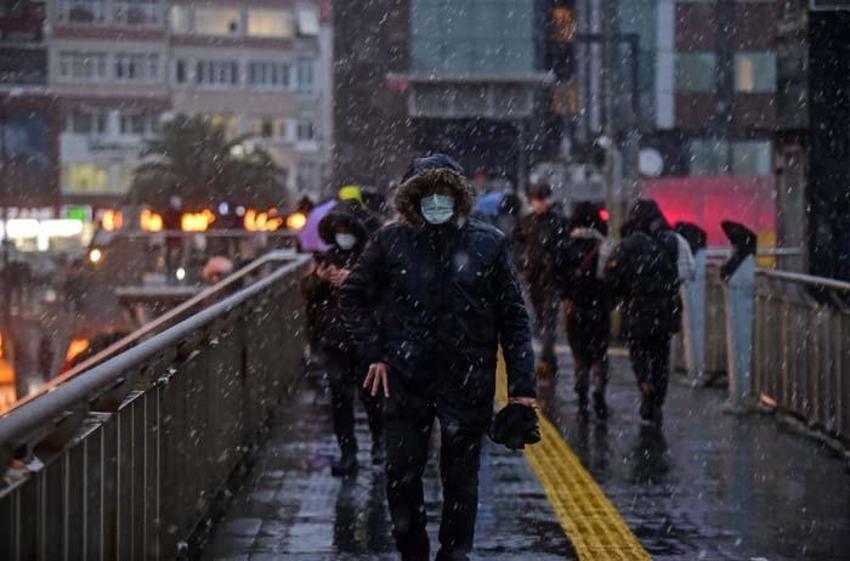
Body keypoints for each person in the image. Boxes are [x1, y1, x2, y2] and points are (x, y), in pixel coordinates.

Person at [340, 154, 537, 561]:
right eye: (425, 194)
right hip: (405, 378)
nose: (435, 202)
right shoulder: (389, 242)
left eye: (443, 194)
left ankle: (454, 554)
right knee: (400, 477)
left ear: (458, 196)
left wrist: (521, 390)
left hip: (467, 382)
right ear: (411, 198)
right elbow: (352, 296)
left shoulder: (488, 244)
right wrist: (374, 352)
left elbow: (514, 318)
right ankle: (413, 551)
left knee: (461, 483)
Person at [302, 206, 383, 476]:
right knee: (340, 399)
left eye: (347, 232)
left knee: (372, 397)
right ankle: (348, 454)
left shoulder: (369, 258)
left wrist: (354, 280)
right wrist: (320, 279)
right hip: (335, 340)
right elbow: (309, 295)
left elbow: (382, 291)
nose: (342, 237)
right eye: (338, 232)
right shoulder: (327, 258)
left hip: (363, 339)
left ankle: (378, 445)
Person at [605, 199, 689, 424]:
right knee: (661, 356)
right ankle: (657, 402)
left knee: (638, 351)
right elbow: (682, 273)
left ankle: (644, 384)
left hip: (637, 309)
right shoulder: (671, 239)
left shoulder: (630, 243)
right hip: (665, 310)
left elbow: (612, 274)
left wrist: (619, 296)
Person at [556, 202, 613, 421]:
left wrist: (566, 297)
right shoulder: (604, 247)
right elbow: (610, 279)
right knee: (600, 354)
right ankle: (599, 390)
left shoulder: (565, 245)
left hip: (575, 309)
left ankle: (582, 404)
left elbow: (559, 276)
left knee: (580, 357)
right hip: (600, 308)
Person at [514, 182, 568, 382]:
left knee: (549, 322)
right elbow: (515, 244)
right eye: (536, 200)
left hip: (551, 279)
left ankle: (545, 361)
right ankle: (550, 360)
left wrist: (553, 264)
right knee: (541, 321)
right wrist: (522, 263)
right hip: (533, 278)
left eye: (542, 200)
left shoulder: (557, 222)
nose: (540, 204)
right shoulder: (526, 222)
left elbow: (564, 249)